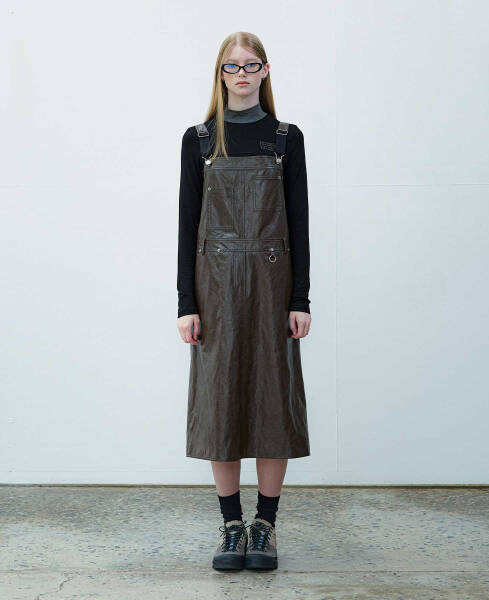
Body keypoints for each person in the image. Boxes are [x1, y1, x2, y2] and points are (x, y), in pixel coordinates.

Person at [176, 31, 312, 571]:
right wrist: (186, 302)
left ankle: (266, 526)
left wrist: (300, 298)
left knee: (273, 401)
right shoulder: (199, 140)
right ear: (220, 73)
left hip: (273, 287)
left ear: (265, 71)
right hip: (214, 289)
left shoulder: (286, 138)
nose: (241, 74)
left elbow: (299, 223)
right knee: (221, 403)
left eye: (250, 65)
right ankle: (232, 526)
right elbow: (187, 225)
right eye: (231, 66)